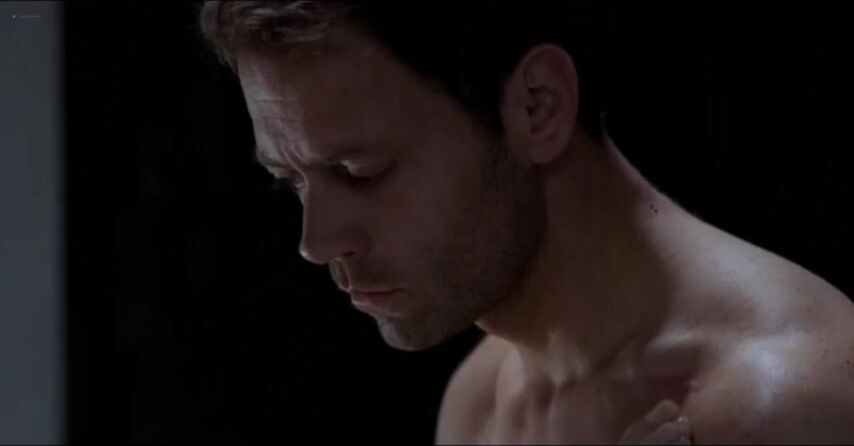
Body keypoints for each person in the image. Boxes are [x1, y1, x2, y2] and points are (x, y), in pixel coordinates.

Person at [197, 1, 854, 444]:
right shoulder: (482, 400)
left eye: (362, 171)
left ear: (539, 106)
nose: (315, 244)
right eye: (291, 180)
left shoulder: (778, 403)